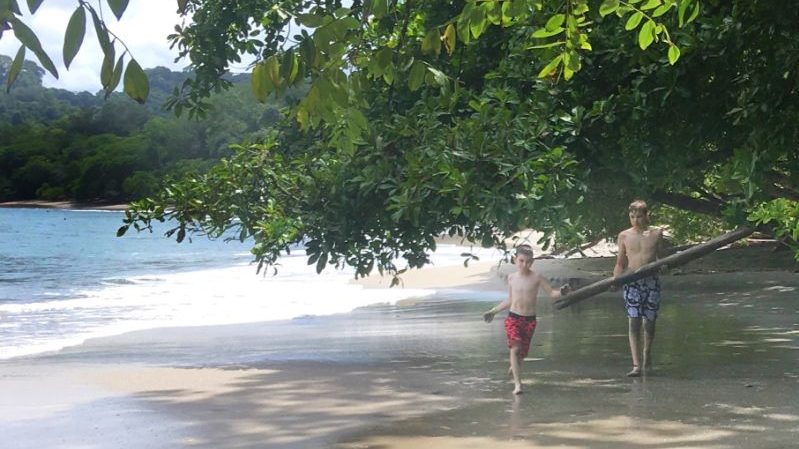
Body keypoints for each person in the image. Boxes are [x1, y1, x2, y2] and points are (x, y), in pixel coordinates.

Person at [483, 244, 570, 394]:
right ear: (515, 260)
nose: (525, 264)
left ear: (532, 262)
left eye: (528, 262)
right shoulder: (511, 278)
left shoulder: (536, 277)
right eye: (521, 261)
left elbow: (552, 293)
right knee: (515, 349)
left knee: (522, 353)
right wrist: (494, 311)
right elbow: (510, 300)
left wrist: (562, 292)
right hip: (513, 318)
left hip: (529, 320)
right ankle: (518, 385)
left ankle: (514, 364)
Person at [612, 199, 665, 377]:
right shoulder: (624, 236)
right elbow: (621, 261)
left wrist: (663, 266)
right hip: (632, 280)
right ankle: (636, 364)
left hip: (651, 281)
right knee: (633, 321)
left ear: (646, 215)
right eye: (632, 216)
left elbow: (661, 258)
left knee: (649, 322)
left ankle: (647, 355)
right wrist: (615, 279)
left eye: (639, 216)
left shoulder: (656, 233)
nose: (635, 220)